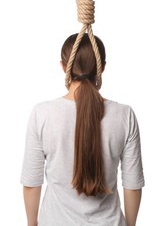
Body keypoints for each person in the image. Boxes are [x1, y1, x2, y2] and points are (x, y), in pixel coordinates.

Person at [20, 33, 145, 226]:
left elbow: (31, 183)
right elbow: (133, 186)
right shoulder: (124, 115)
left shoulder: (42, 114)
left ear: (63, 67)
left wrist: (31, 223)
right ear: (102, 67)